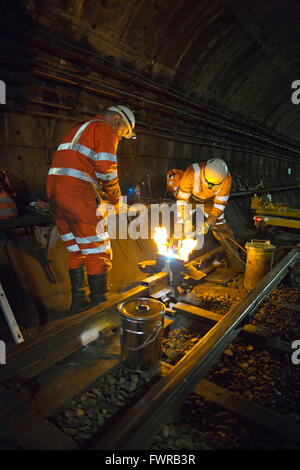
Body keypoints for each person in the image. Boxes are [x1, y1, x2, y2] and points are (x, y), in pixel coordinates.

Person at [47, 105, 136, 314]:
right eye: (122, 133)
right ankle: (99, 307)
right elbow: (107, 169)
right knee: (98, 249)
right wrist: (115, 199)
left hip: (54, 192)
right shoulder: (105, 129)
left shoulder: (79, 128)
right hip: (76, 193)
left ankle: (78, 303)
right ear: (116, 119)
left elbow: (80, 165)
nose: (120, 138)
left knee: (77, 248)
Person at [176, 159, 244, 272]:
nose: (211, 187)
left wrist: (209, 222)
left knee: (223, 230)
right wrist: (186, 221)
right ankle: (177, 258)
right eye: (209, 183)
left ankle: (236, 264)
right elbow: (182, 200)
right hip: (190, 199)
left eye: (214, 185)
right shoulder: (191, 173)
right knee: (181, 224)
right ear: (203, 174)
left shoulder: (226, 179)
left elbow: (220, 204)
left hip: (210, 202)